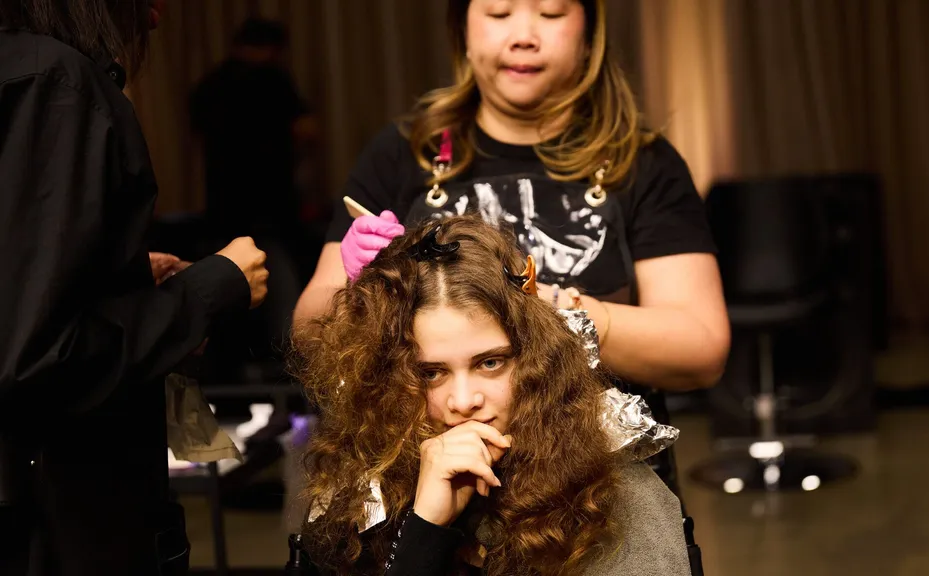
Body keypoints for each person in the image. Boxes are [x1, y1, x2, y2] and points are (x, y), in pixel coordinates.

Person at [294, 0, 729, 394]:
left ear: (589, 35)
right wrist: (357, 290)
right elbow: (308, 336)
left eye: (551, 13)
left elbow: (701, 348)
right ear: (463, 30)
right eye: (499, 13)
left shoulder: (643, 161)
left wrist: (547, 306)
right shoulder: (403, 152)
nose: (523, 37)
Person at [0, 1, 270, 574]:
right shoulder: (55, 81)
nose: (156, 18)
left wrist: (116, 275)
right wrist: (213, 288)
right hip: (57, 518)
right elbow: (35, 357)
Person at [297, 216, 691, 575]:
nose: (463, 400)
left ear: (536, 360)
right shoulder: (361, 496)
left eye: (490, 363)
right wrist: (425, 528)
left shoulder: (612, 496)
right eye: (431, 373)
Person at [190, 17, 316, 370]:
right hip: (271, 210)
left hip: (223, 211)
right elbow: (306, 130)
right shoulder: (273, 80)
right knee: (282, 300)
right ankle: (288, 374)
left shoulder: (211, 85)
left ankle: (236, 373)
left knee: (230, 300)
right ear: (273, 49)